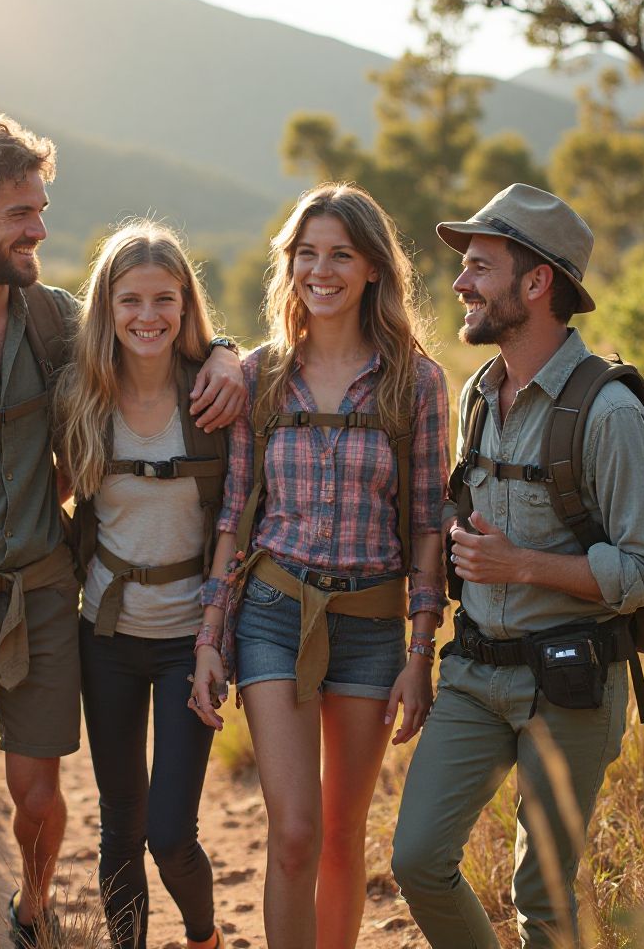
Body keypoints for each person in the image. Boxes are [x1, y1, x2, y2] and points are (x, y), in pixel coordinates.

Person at [0, 112, 244, 949]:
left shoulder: (54, 319)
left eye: (40, 209)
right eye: (20, 213)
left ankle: (31, 908)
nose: (39, 229)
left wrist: (226, 353)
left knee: (36, 794)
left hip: (42, 593)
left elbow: (151, 338)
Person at [391, 184, 644, 948]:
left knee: (543, 902)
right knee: (417, 861)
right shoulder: (479, 395)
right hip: (473, 674)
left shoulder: (609, 414)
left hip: (572, 684)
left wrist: (522, 565)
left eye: (481, 266)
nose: (461, 282)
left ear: (538, 282)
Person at [191, 183, 451, 949]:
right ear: (290, 264)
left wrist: (420, 655)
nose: (321, 270)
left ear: (373, 268)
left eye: (340, 254)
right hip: (274, 615)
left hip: (372, 627)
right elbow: (235, 514)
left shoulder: (417, 382)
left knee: (341, 834)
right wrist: (210, 635)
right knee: (296, 831)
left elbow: (428, 526)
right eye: (307, 254)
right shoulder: (261, 376)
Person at [52, 221, 228, 949]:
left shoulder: (216, 395)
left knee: (170, 834)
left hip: (191, 639)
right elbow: (53, 493)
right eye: (130, 300)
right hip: (107, 635)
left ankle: (204, 937)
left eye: (164, 299)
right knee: (120, 825)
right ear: (107, 306)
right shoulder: (81, 396)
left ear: (186, 305)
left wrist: (226, 351)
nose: (147, 316)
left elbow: (237, 517)